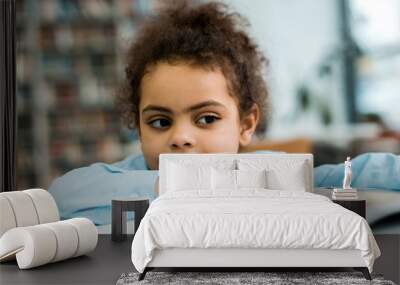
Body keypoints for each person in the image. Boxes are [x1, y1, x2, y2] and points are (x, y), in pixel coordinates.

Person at [48, 1, 400, 226]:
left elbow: (347, 174)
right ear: (139, 130)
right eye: (159, 122)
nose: (181, 137)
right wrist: (175, 185)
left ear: (246, 124)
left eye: (206, 119)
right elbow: (64, 194)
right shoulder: (124, 179)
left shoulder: (261, 171)